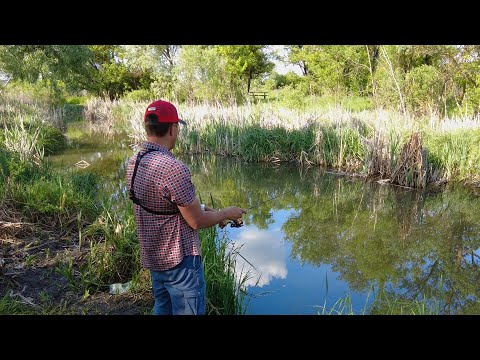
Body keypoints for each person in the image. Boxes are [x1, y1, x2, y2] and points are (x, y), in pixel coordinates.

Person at [126, 99, 246, 315]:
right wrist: (227, 212)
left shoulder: (135, 162)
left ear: (148, 127)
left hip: (154, 255)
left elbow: (162, 203)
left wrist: (209, 210)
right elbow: (196, 221)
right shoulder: (173, 167)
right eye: (177, 127)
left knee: (162, 306)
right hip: (180, 260)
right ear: (172, 128)